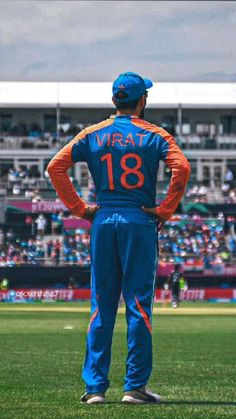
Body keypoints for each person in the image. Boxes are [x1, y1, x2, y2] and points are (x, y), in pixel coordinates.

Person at [47, 71, 190, 404]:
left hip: (102, 220)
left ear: (115, 100)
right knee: (138, 306)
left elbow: (55, 166)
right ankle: (134, 387)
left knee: (101, 305)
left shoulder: (92, 134)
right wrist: (166, 209)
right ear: (143, 101)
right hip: (139, 219)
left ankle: (95, 389)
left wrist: (81, 209)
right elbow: (181, 168)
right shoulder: (156, 135)